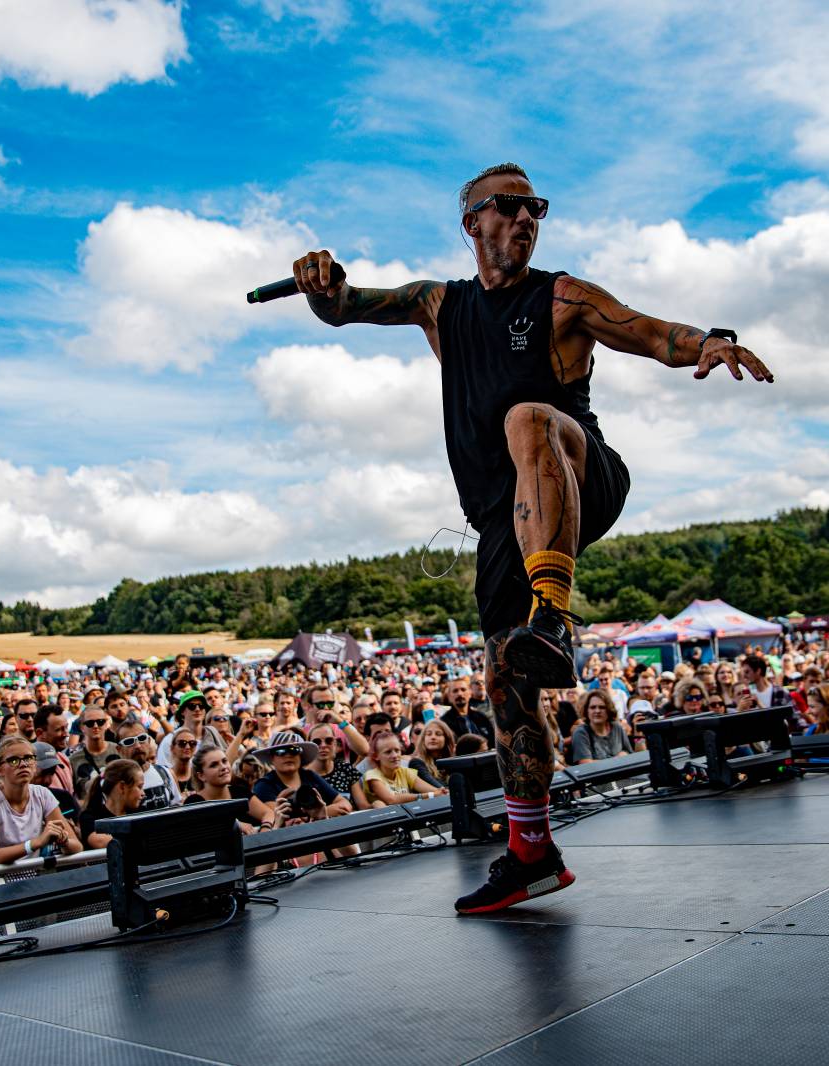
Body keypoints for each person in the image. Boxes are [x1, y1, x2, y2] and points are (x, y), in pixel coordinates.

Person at [292, 161, 772, 914]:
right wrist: (322, 287)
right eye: (508, 206)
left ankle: (556, 617)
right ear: (471, 223)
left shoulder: (562, 295)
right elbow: (346, 306)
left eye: (535, 207)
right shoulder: (437, 304)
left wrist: (707, 342)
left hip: (580, 476)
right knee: (507, 687)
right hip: (502, 521)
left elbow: (647, 331)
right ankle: (530, 851)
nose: (525, 218)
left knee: (526, 417)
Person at [0, 736, 83, 865]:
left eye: (28, 758)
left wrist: (64, 841)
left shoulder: (43, 794)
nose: (23, 764)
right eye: (13, 760)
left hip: (30, 881)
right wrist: (35, 843)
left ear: (35, 765)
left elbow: (77, 846)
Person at [250, 730, 351, 826]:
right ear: (272, 758)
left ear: (300, 756)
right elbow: (279, 818)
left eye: (294, 750)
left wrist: (320, 812)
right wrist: (320, 813)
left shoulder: (310, 776)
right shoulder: (264, 784)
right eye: (281, 751)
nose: (288, 755)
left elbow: (345, 805)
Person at [182, 746, 270, 831]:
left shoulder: (239, 792)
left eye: (224, 761)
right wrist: (234, 825)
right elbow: (202, 831)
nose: (223, 767)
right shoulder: (194, 803)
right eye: (214, 765)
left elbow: (268, 813)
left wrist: (265, 828)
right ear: (201, 776)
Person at [364, 732, 448, 806]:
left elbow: (435, 791)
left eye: (397, 750)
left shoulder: (405, 772)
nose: (395, 755)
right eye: (388, 752)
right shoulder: (372, 776)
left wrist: (442, 792)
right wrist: (428, 795)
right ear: (376, 756)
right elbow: (391, 800)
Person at [79, 758, 143, 849]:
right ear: (122, 787)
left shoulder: (140, 812)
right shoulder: (90, 816)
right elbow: (99, 842)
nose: (143, 793)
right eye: (139, 787)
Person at [115, 718, 178, 809]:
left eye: (142, 738)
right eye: (129, 741)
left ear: (148, 741)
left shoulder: (165, 773)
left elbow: (177, 808)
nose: (137, 746)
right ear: (119, 749)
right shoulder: (112, 783)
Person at [570, 689, 634, 764]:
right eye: (593, 707)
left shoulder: (617, 727)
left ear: (609, 710)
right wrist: (617, 759)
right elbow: (585, 764)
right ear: (587, 710)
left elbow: (628, 752)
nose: (597, 711)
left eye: (602, 707)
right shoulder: (581, 732)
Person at [68, 705, 119, 796]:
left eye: (100, 722)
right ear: (82, 727)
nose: (95, 726)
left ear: (106, 724)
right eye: (90, 723)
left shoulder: (119, 750)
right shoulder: (73, 760)